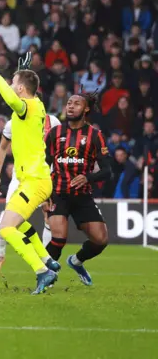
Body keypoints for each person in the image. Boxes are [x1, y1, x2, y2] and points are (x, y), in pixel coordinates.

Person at [0, 46, 59, 295]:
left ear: (19, 89)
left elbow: (11, 97)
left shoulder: (26, 106)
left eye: (13, 81)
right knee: (17, 224)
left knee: (6, 228)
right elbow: (19, 89)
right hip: (35, 179)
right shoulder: (34, 105)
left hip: (34, 181)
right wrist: (21, 71)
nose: (10, 84)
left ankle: (42, 270)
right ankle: (47, 260)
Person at [45, 93, 111, 285]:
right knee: (59, 238)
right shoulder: (54, 133)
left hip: (82, 196)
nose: (71, 106)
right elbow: (43, 165)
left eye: (76, 103)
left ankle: (76, 261)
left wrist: (88, 177)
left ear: (86, 109)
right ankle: (44, 277)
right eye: (69, 103)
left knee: (100, 240)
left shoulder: (95, 136)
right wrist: (44, 194)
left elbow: (107, 171)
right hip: (58, 193)